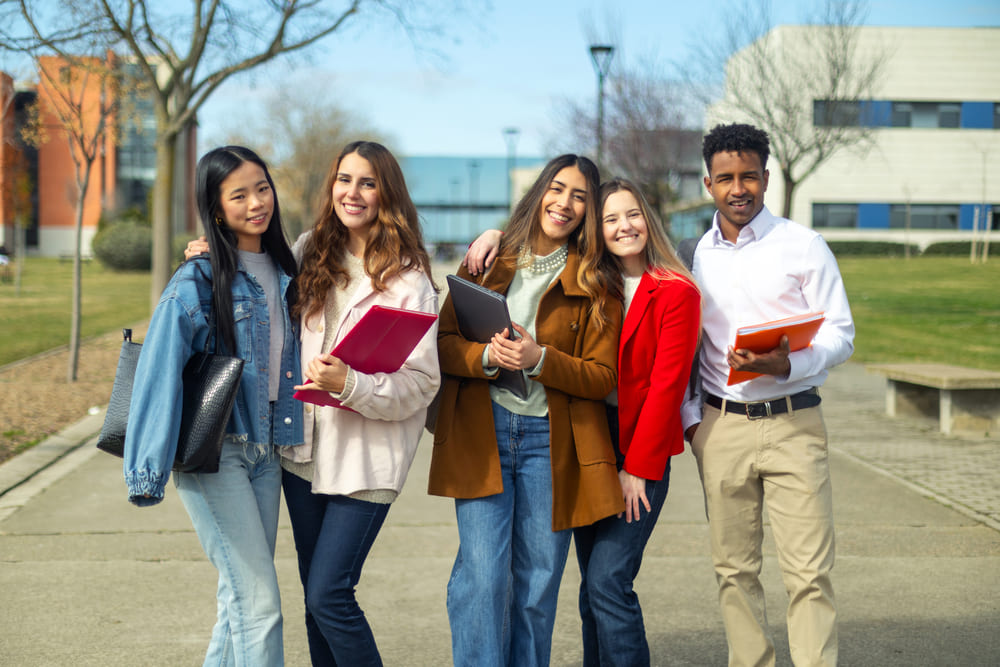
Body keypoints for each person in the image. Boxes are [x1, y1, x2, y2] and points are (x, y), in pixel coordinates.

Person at [187, 141, 440, 666]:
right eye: (344, 179)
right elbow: (255, 276)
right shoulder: (309, 250)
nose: (353, 192)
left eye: (368, 183)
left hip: (366, 462)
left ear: (386, 193)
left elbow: (421, 384)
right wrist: (214, 251)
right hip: (300, 456)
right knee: (314, 603)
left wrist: (349, 382)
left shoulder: (411, 280)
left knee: (331, 595)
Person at [463, 178, 702, 666]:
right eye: (610, 219)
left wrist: (637, 467)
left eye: (632, 214)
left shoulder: (676, 291)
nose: (623, 227)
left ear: (648, 219)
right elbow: (542, 239)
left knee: (609, 580)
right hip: (588, 440)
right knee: (591, 585)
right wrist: (494, 234)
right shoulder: (595, 279)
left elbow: (666, 389)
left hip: (639, 448)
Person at [428, 154, 625, 667]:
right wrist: (487, 357)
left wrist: (541, 360)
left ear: (589, 210)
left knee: (538, 585)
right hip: (483, 434)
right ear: (540, 191)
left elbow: (603, 377)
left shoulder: (598, 281)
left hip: (550, 442)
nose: (564, 203)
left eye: (580, 196)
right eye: (557, 189)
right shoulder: (490, 260)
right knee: (483, 578)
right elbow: (444, 343)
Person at [681, 123, 855, 667]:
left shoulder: (803, 246)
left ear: (766, 178)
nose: (739, 188)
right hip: (721, 428)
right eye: (726, 178)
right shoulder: (692, 257)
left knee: (808, 574)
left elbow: (840, 333)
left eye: (750, 177)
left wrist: (790, 363)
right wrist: (694, 424)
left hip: (794, 425)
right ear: (708, 182)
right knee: (733, 571)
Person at [125, 145, 303, 666]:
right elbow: (158, 375)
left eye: (262, 188)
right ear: (217, 206)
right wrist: (147, 470)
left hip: (267, 452)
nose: (256, 203)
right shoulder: (197, 280)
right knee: (261, 607)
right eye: (239, 194)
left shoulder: (289, 270)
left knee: (239, 601)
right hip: (215, 454)